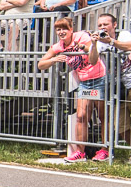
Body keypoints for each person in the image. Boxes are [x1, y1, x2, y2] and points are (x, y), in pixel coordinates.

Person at [38, 18, 108, 162]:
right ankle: (80, 152)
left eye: (64, 29)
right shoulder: (58, 46)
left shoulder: (81, 36)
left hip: (99, 78)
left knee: (102, 116)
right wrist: (54, 60)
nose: (61, 32)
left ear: (71, 29)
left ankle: (104, 150)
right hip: (84, 82)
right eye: (58, 29)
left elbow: (93, 55)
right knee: (81, 117)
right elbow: (41, 64)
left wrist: (82, 46)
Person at [96, 13, 131, 163]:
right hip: (116, 86)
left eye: (106, 24)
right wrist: (93, 43)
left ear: (114, 25)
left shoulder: (123, 34)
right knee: (120, 123)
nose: (102, 27)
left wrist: (111, 41)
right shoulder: (100, 41)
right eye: (100, 25)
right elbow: (92, 58)